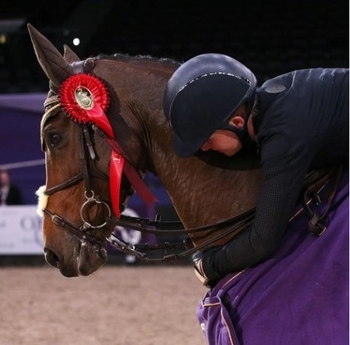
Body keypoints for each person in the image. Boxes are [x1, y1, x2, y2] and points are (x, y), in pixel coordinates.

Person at [162, 53, 349, 287]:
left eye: (206, 138)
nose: (203, 147)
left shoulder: (283, 136)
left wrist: (210, 265)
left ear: (237, 122)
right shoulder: (272, 95)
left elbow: (263, 240)